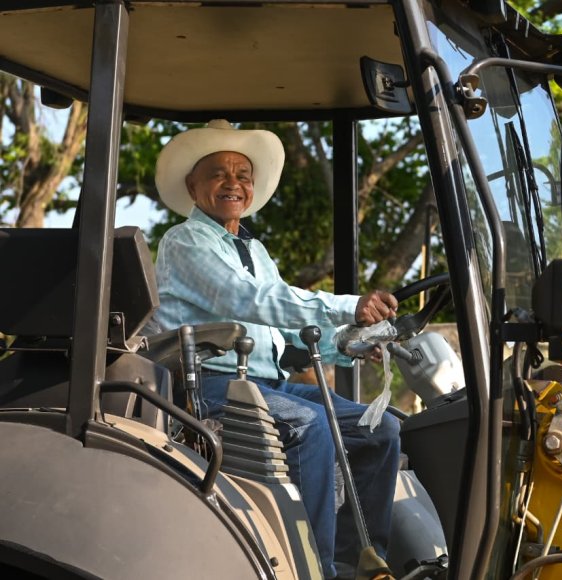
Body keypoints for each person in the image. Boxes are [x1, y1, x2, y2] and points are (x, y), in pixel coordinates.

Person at [148, 119, 400, 579]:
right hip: (210, 386)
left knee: (379, 427)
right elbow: (257, 302)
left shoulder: (256, 251)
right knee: (309, 426)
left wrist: (352, 343)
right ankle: (313, 568)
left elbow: (287, 334)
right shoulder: (184, 242)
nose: (233, 183)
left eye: (242, 175)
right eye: (219, 174)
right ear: (193, 186)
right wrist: (351, 305)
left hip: (266, 384)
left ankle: (357, 561)